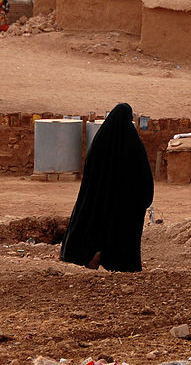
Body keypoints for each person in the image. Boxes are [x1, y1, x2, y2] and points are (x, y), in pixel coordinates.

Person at [60, 103, 154, 272]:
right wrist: (145, 197)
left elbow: (89, 174)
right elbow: (143, 174)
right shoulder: (133, 144)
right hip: (125, 203)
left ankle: (93, 255)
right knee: (121, 233)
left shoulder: (99, 142)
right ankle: (121, 263)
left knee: (98, 226)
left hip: (99, 201)